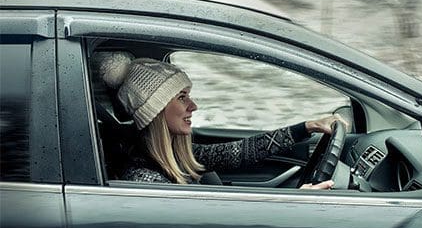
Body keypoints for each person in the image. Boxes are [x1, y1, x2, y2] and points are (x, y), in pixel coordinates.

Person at [93, 51, 340, 189]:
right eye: (182, 98)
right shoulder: (145, 180)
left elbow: (239, 151)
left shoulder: (172, 156)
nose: (194, 106)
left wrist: (307, 127)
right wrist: (295, 203)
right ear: (155, 111)